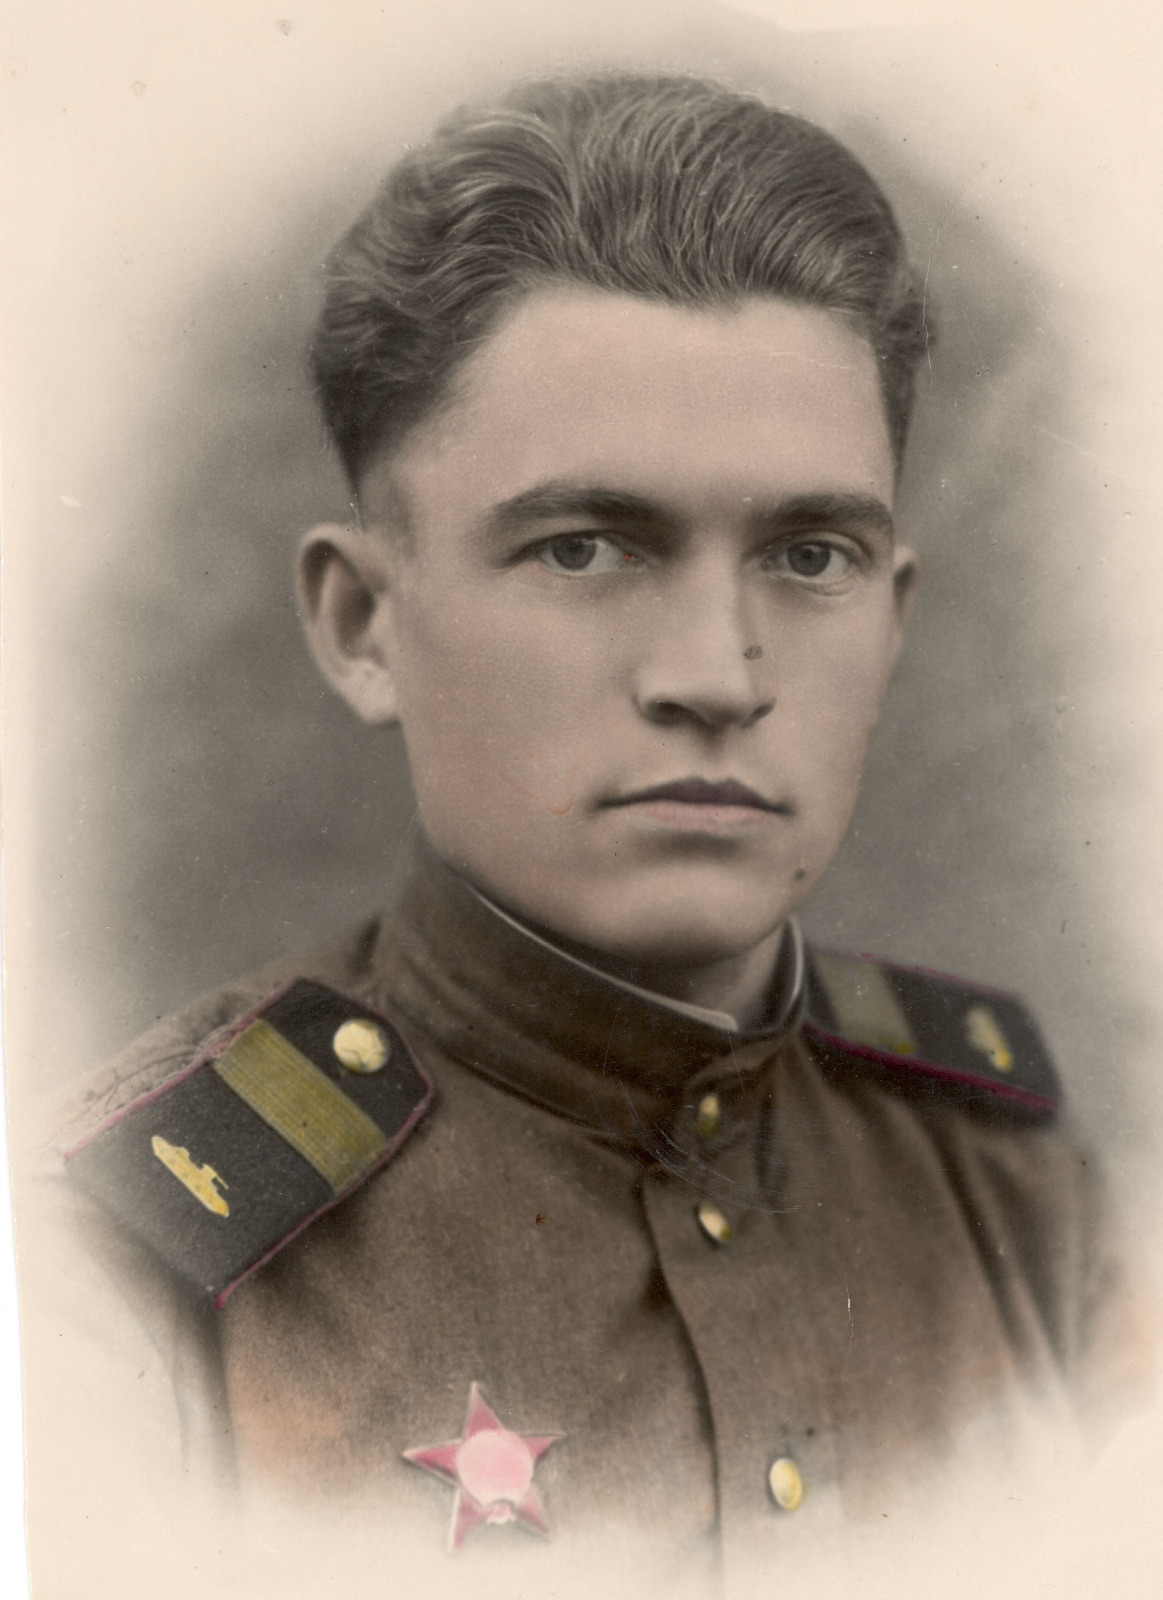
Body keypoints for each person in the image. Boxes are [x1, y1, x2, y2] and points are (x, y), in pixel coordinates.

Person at [43, 71, 1150, 1586]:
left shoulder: (1029, 1203)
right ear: (362, 625)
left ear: (892, 623)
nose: (716, 676)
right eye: (584, 548)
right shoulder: (121, 1280)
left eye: (809, 556)